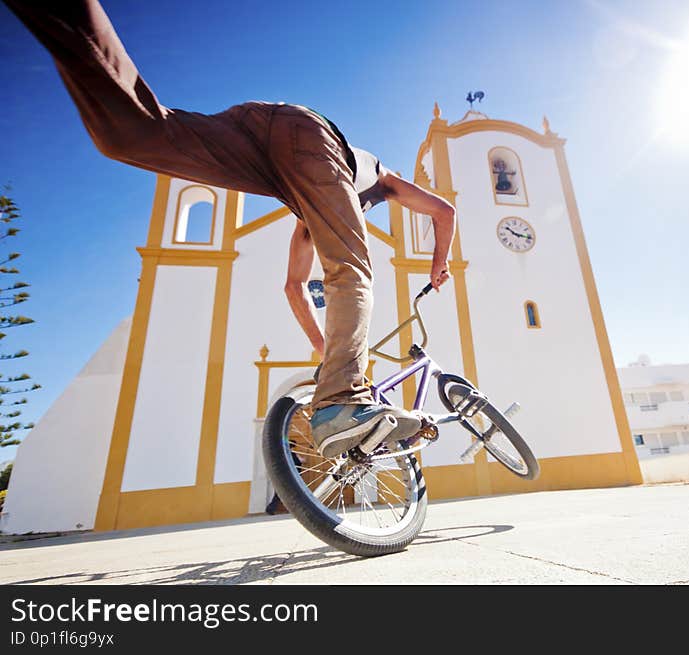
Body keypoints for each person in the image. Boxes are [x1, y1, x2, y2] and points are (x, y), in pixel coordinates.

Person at [5, 0, 457, 457]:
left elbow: (294, 286)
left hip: (258, 129)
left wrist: (325, 347)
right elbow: (444, 211)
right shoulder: (379, 178)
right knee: (354, 269)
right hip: (312, 138)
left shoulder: (306, 219)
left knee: (137, 135)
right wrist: (438, 266)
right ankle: (343, 399)